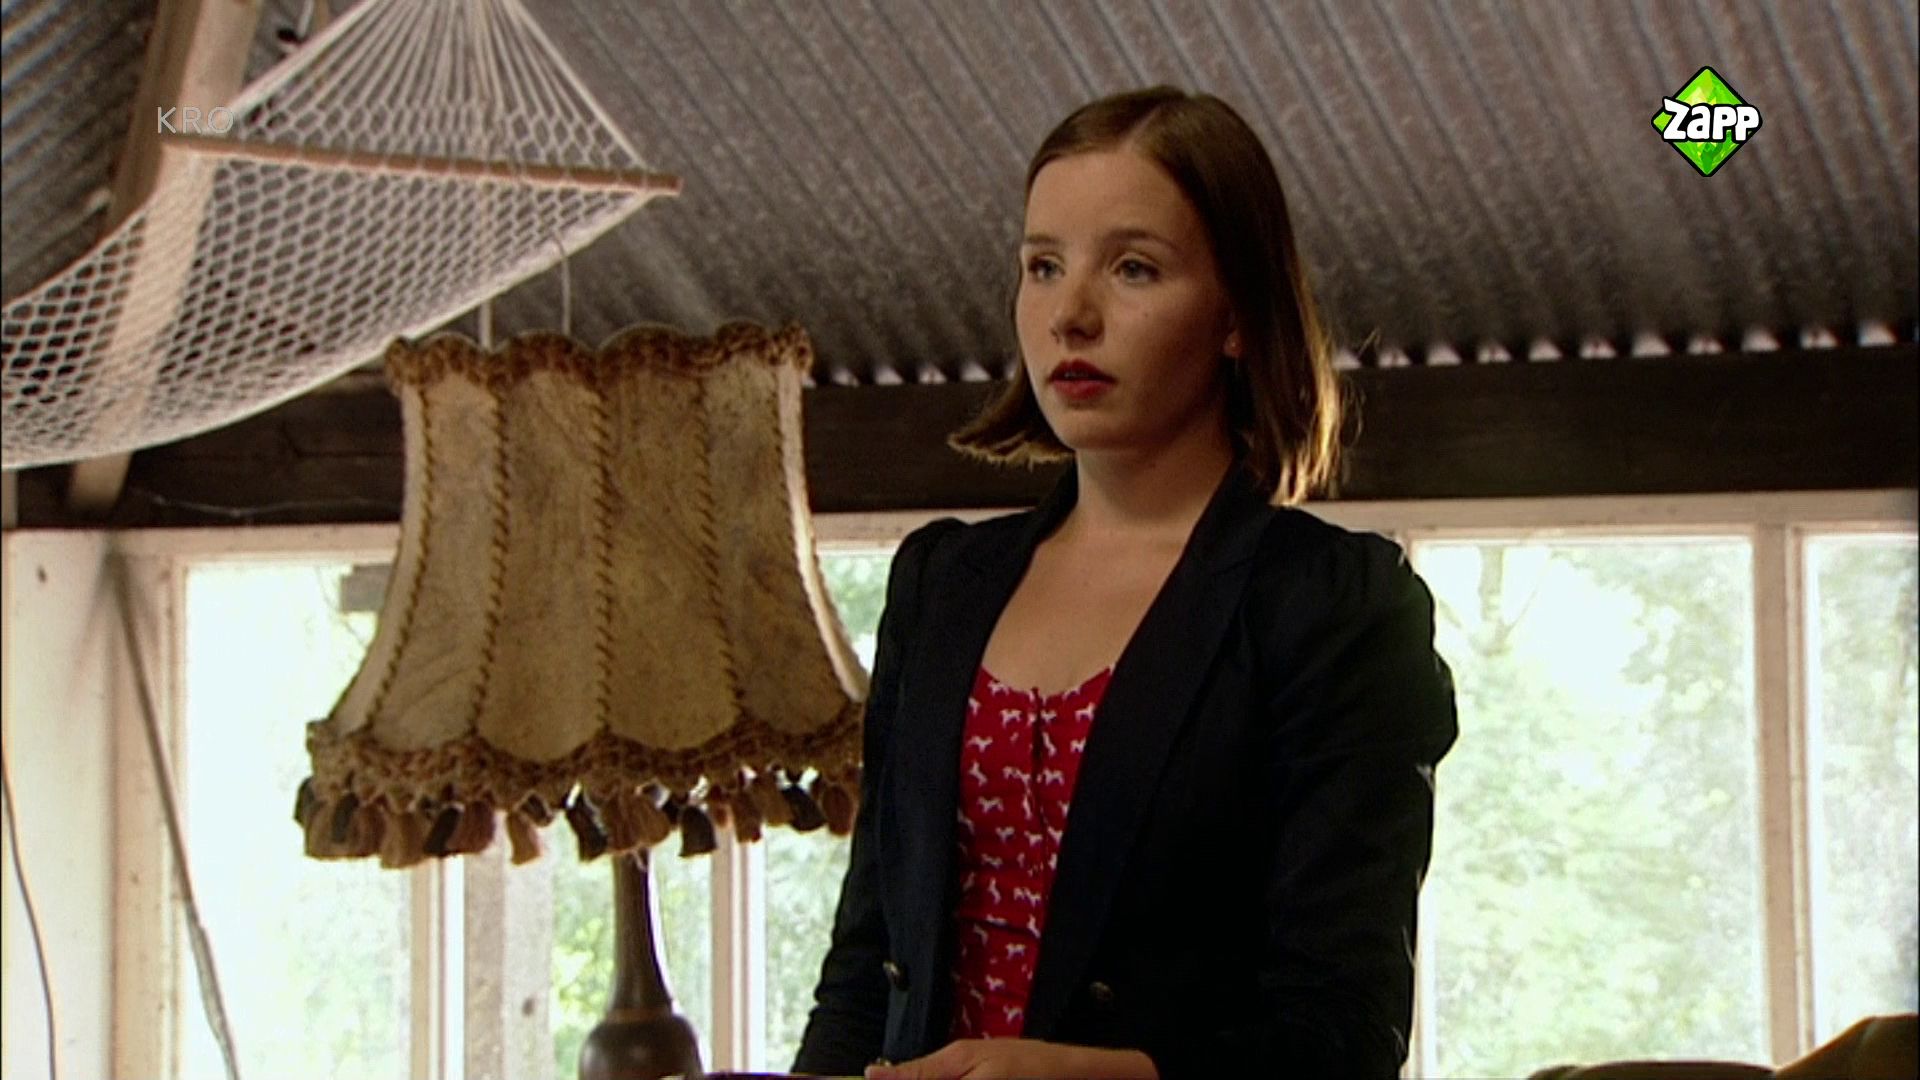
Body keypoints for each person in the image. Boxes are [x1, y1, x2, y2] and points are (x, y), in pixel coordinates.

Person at [792, 86, 1458, 1080]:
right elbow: (861, 974)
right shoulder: (940, 584)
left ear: (1237, 315)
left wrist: (1088, 1077)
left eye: (1133, 267)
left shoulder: (1332, 605)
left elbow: (1343, 1035)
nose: (1072, 315)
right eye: (1043, 267)